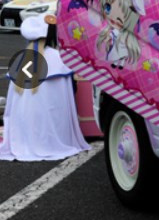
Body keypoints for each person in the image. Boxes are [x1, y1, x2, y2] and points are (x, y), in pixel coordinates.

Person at [0, 14, 92, 161]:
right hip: (53, 131)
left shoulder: (21, 60)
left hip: (22, 135)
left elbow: (12, 105)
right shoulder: (59, 59)